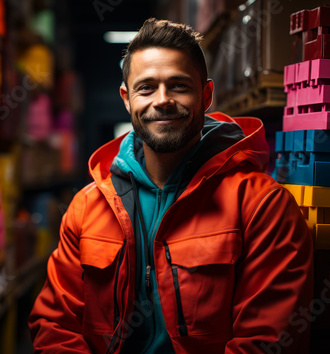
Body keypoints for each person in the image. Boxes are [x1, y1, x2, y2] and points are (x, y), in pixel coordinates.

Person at [29, 18, 313, 353]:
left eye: (178, 86)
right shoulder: (87, 207)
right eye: (146, 87)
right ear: (126, 98)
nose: (162, 100)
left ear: (206, 94)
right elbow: (55, 325)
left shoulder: (261, 205)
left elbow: (268, 341)